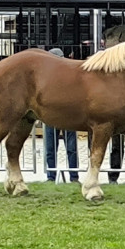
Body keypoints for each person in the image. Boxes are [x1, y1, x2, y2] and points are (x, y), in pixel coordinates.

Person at [41, 48, 80, 183]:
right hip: (54, 115)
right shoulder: (46, 77)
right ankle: (52, 176)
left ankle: (73, 176)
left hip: (66, 115)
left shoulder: (69, 76)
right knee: (52, 148)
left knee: (70, 148)